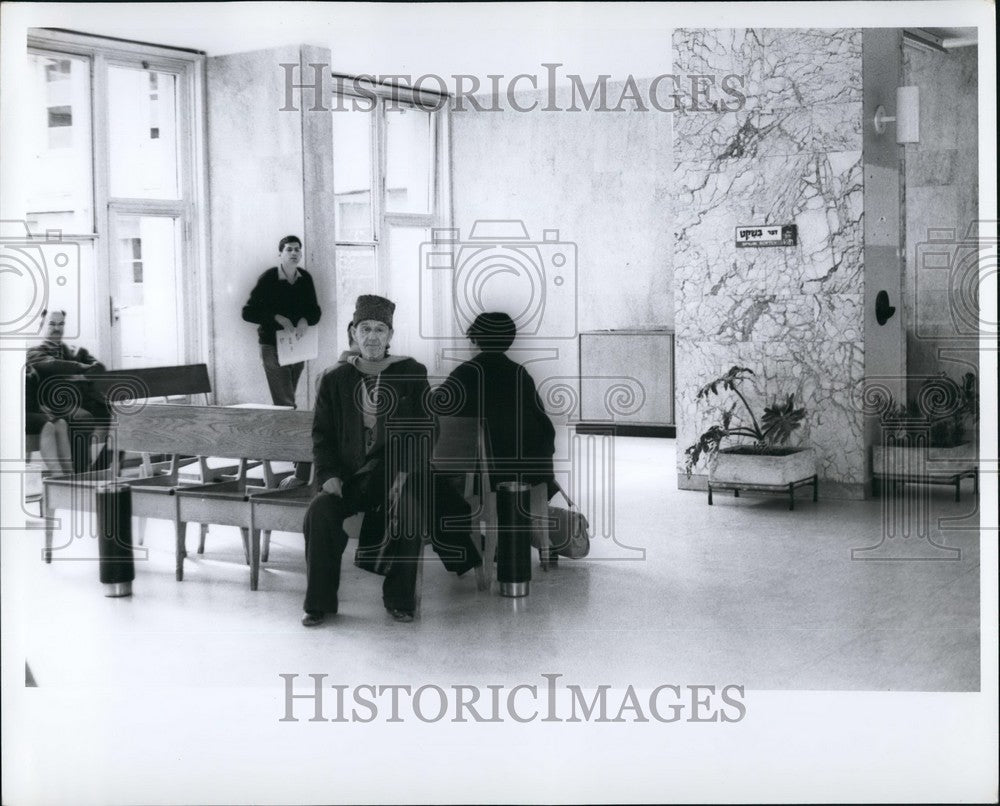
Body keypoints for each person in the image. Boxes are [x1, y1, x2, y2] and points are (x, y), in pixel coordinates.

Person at [300, 294, 481, 627]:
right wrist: (328, 475)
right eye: (365, 329)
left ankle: (400, 601)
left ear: (390, 336)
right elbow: (321, 436)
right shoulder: (334, 378)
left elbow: (427, 430)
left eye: (380, 330)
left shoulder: (410, 372)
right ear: (353, 333)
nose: (372, 337)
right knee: (319, 511)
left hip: (400, 473)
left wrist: (406, 471)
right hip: (351, 478)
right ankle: (318, 603)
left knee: (409, 508)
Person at [436, 311, 564, 560]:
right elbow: (544, 426)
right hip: (530, 475)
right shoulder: (519, 373)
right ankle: (538, 536)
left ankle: (470, 544)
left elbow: (437, 411)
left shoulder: (465, 374)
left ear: (475, 340)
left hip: (483, 479)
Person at [241, 235, 322, 408]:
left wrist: (305, 320)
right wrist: (277, 318)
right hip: (272, 346)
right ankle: (290, 424)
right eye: (289, 249)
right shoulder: (269, 278)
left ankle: (287, 423)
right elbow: (248, 312)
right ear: (280, 254)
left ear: (301, 254)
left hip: (297, 346)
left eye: (297, 249)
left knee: (286, 398)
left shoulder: (305, 278)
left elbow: (315, 311)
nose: (294, 253)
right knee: (285, 401)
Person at [27, 309, 112, 472]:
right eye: (52, 324)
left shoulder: (72, 351)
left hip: (80, 400)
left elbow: (98, 367)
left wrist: (85, 371)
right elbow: (54, 365)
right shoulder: (34, 352)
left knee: (114, 413)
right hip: (54, 404)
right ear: (41, 325)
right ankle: (80, 472)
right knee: (82, 418)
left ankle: (101, 467)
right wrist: (82, 368)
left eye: (61, 324)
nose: (57, 328)